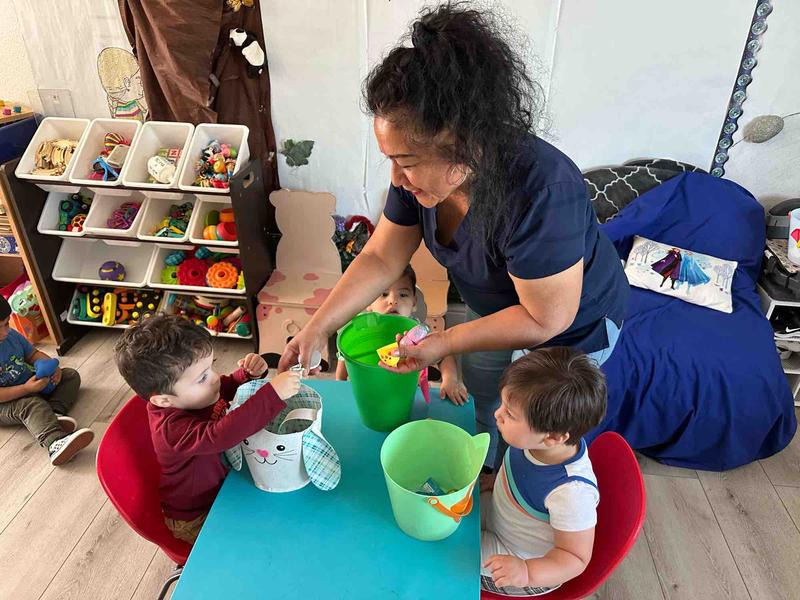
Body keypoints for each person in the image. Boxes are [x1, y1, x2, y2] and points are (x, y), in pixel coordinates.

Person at [277, 4, 628, 472]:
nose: (396, 178)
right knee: (485, 400)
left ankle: (519, 488)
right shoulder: (418, 181)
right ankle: (485, 468)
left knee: (537, 432)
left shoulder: (544, 191)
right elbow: (381, 257)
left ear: (464, 148)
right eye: (390, 159)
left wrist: (444, 342)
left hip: (572, 327)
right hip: (500, 307)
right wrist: (318, 326)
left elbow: (545, 318)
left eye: (406, 161)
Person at [114, 315, 300, 544]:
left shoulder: (194, 395)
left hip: (224, 489)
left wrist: (247, 376)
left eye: (211, 367)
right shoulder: (171, 430)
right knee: (258, 541)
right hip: (196, 516)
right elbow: (220, 435)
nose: (214, 379)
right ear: (164, 401)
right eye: (202, 377)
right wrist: (272, 395)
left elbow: (224, 388)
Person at [480, 347, 606, 596]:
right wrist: (497, 480)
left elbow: (575, 558)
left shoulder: (571, 493)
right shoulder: (534, 440)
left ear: (554, 437)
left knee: (442, 555)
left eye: (509, 414)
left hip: (521, 562)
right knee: (447, 517)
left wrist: (527, 572)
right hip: (501, 518)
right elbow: (521, 471)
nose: (497, 414)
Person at [335, 265, 468, 405]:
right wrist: (339, 384)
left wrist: (450, 380)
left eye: (403, 295)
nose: (393, 301)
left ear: (414, 302)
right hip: (370, 396)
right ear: (369, 301)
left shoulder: (417, 333)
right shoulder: (362, 331)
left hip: (406, 395)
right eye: (384, 294)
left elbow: (444, 355)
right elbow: (345, 357)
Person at [0, 295, 91, 465]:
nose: (5, 332)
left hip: (30, 384)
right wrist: (26, 389)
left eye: (6, 324)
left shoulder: (11, 336)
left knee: (70, 376)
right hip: (5, 402)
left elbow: (33, 354)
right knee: (31, 404)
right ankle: (55, 443)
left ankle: (54, 414)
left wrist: (51, 367)